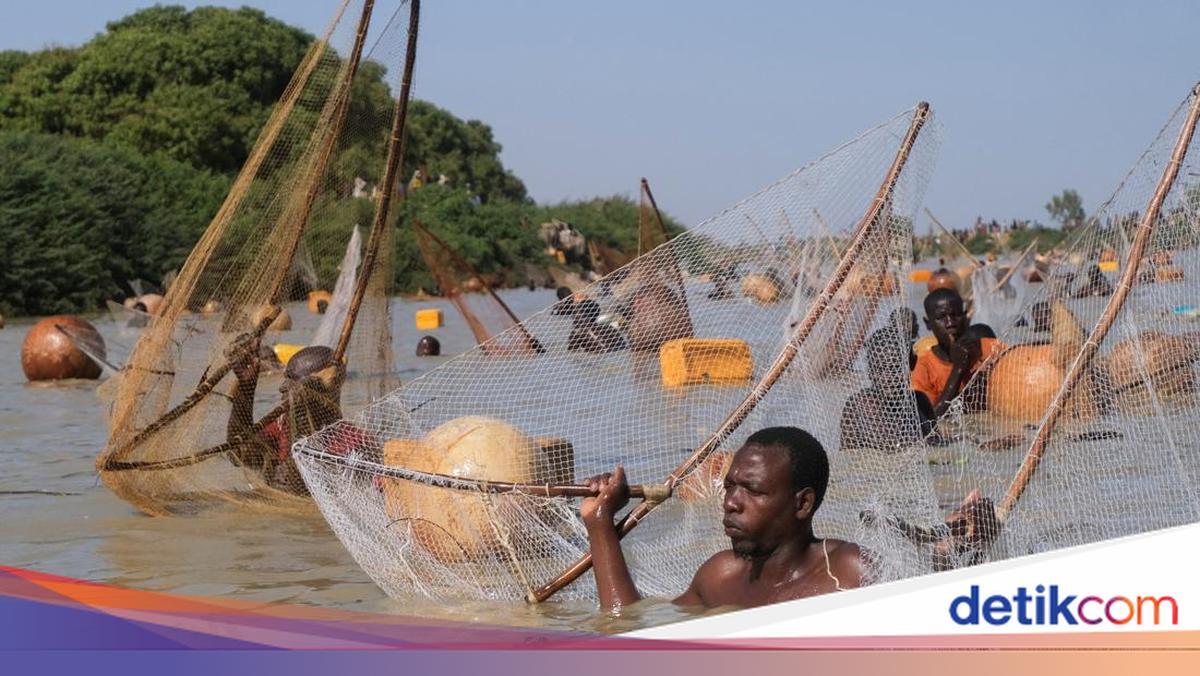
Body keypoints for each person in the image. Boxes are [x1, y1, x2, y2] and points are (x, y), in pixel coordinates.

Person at [581, 427, 866, 611]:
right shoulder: (720, 577)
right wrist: (600, 523)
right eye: (730, 487)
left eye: (753, 491)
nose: (730, 502)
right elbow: (635, 634)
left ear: (802, 503)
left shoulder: (848, 572)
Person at [227, 342, 347, 495]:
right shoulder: (279, 426)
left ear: (318, 387)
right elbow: (239, 454)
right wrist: (246, 387)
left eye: (293, 381)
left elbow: (299, 488)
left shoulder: (350, 442)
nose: (282, 387)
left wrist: (300, 411)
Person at [912, 289, 1003, 418]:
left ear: (965, 317)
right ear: (928, 324)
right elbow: (930, 421)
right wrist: (958, 369)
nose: (950, 323)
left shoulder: (990, 348)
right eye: (941, 317)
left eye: (955, 315)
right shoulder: (923, 367)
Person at [840, 329, 936, 450]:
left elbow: (937, 445)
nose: (888, 378)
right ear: (870, 371)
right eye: (880, 369)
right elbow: (848, 459)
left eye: (895, 368)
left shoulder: (919, 401)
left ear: (911, 365)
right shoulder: (857, 408)